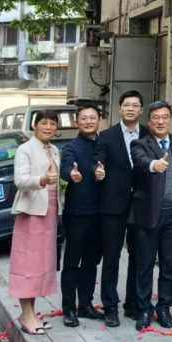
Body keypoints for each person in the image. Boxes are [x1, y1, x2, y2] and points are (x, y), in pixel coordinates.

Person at [130, 101, 172, 330]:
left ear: (170, 119)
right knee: (145, 264)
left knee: (169, 264)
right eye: (156, 117)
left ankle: (164, 307)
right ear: (149, 122)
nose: (160, 121)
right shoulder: (140, 143)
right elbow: (140, 161)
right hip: (147, 214)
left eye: (164, 117)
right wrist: (153, 165)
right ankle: (144, 308)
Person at [96, 91, 146, 328]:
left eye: (135, 105)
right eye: (127, 105)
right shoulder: (106, 136)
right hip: (112, 205)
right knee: (111, 257)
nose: (131, 108)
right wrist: (97, 170)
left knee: (139, 256)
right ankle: (110, 307)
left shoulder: (148, 134)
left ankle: (133, 304)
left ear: (141, 110)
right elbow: (98, 161)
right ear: (120, 108)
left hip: (141, 204)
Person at [10, 111, 63, 336]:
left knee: (41, 264)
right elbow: (20, 181)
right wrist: (42, 179)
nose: (48, 127)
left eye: (52, 123)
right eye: (44, 123)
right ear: (35, 126)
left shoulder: (54, 149)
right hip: (31, 212)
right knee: (27, 265)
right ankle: (27, 314)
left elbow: (57, 181)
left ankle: (30, 313)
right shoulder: (25, 149)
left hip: (50, 211)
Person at [58, 102, 104, 327]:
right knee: (72, 262)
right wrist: (71, 174)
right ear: (77, 122)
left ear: (99, 120)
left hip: (101, 213)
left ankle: (85, 304)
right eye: (84, 118)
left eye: (92, 118)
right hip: (77, 214)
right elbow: (66, 167)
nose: (88, 122)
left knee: (91, 262)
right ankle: (68, 308)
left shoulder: (104, 144)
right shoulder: (71, 147)